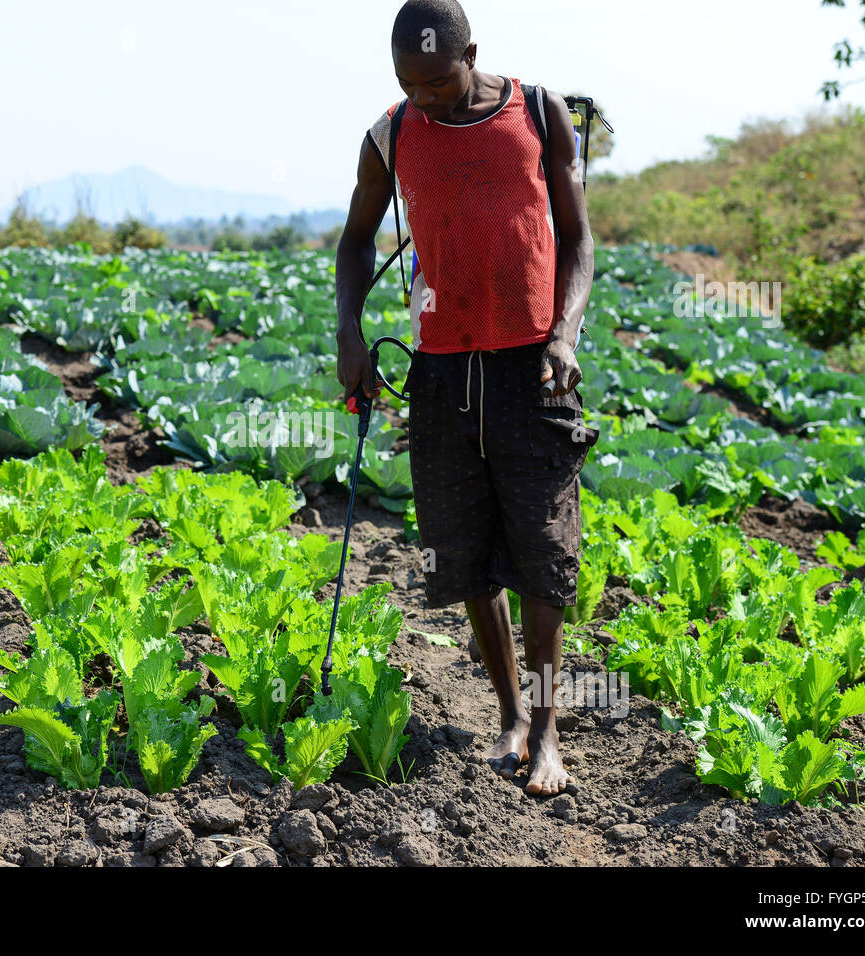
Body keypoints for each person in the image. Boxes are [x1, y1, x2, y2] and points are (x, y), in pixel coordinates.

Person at [335, 0, 596, 797]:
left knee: (546, 555)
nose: (427, 100)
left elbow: (579, 240)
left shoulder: (540, 112)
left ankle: (549, 731)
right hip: (442, 370)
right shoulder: (390, 134)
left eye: (439, 84)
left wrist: (565, 334)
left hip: (531, 368)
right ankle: (512, 714)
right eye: (409, 86)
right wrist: (348, 334)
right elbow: (355, 240)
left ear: (471, 55)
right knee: (463, 551)